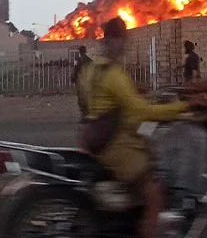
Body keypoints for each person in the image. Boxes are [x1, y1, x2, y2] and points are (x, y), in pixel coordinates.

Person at [78, 17, 193, 238]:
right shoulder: (113, 74)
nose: (124, 44)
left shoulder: (90, 70)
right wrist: (184, 106)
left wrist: (130, 92)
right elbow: (144, 112)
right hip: (115, 145)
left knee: (147, 138)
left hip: (93, 136)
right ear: (114, 40)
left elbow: (89, 103)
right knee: (155, 195)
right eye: (122, 39)